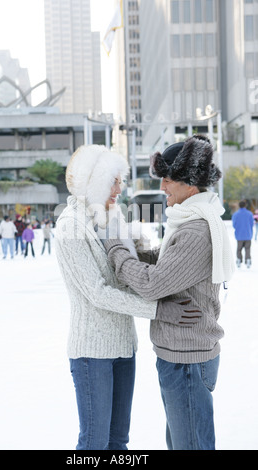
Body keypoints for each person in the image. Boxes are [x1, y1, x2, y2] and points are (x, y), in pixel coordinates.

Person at [54, 145, 198, 451]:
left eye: (120, 180)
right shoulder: (70, 226)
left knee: (119, 441)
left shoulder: (112, 218)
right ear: (94, 182)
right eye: (114, 181)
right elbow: (97, 292)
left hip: (123, 345)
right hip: (93, 351)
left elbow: (137, 267)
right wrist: (158, 310)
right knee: (94, 441)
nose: (120, 188)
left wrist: (179, 258)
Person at [100, 136, 235, 451]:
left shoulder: (195, 231)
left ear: (189, 185)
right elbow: (166, 261)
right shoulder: (191, 222)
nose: (162, 186)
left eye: (167, 178)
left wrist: (117, 249)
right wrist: (133, 243)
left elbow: (153, 284)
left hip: (186, 360)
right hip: (184, 355)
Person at [232, 200, 254, 268]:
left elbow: (234, 225)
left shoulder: (235, 214)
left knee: (239, 249)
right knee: (247, 248)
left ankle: (239, 260)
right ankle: (248, 260)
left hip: (239, 234)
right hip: (248, 234)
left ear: (239, 205)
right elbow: (252, 224)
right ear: (245, 205)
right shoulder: (250, 214)